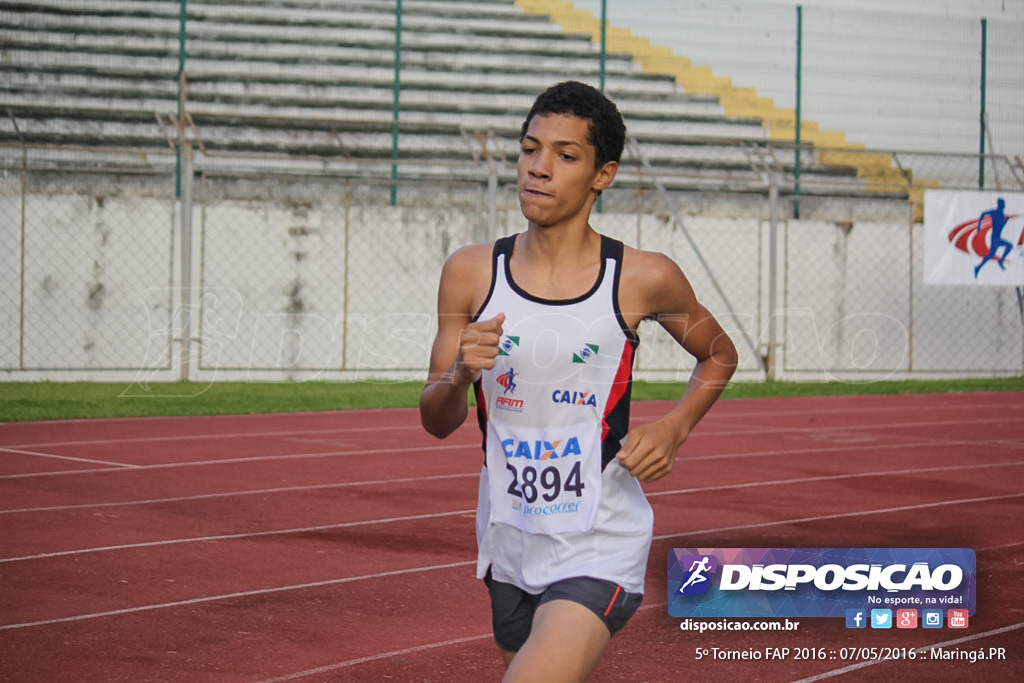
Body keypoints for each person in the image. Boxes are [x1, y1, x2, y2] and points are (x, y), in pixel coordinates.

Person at [419, 81, 738, 682]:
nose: (538, 169)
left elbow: (719, 353)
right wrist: (460, 373)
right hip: (508, 536)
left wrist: (675, 427)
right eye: (529, 148)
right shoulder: (469, 272)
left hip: (599, 534)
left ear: (602, 174)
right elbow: (435, 419)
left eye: (565, 156)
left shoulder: (642, 278)